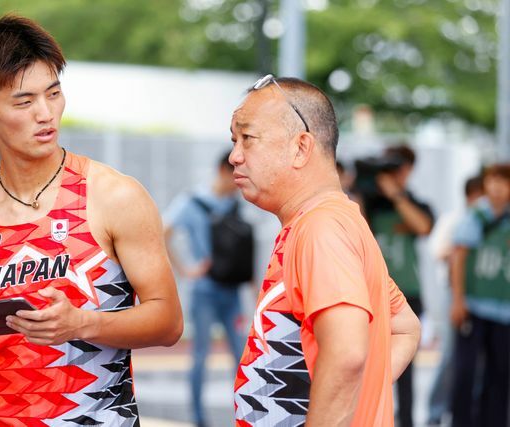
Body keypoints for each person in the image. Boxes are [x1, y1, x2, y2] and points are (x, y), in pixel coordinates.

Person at [0, 15, 183, 426]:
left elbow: (168, 322)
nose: (46, 113)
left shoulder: (113, 196)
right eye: (24, 101)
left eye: (54, 93)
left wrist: (82, 322)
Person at [229, 74, 420, 426]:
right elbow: (404, 326)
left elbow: (347, 354)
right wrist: (364, 400)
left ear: (301, 147)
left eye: (247, 139)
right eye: (234, 140)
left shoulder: (321, 228)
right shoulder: (332, 221)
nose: (234, 156)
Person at [164, 152, 248, 427]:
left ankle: (246, 414)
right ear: (223, 170)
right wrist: (186, 270)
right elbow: (164, 232)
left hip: (232, 291)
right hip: (205, 291)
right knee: (200, 356)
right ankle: (199, 418)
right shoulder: (192, 202)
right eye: (235, 172)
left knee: (242, 356)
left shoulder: (236, 202)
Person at [353, 144, 433, 427]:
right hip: (370, 295)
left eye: (397, 168)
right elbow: (355, 226)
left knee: (405, 368)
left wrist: (396, 195)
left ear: (408, 171)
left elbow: (423, 227)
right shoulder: (367, 204)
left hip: (407, 295)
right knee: (364, 364)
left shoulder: (413, 203)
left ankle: (407, 421)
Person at [450, 164, 510, 427]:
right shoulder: (476, 215)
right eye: (493, 180)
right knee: (466, 372)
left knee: (500, 375)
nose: (497, 187)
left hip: (504, 311)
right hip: (474, 306)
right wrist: (458, 300)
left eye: (504, 182)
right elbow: (459, 258)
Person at [425, 175, 482, 426]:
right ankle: (435, 412)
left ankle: (471, 411)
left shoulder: (493, 221)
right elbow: (437, 250)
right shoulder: (456, 220)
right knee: (450, 355)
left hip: (481, 295)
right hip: (454, 293)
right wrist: (462, 249)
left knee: (479, 358)